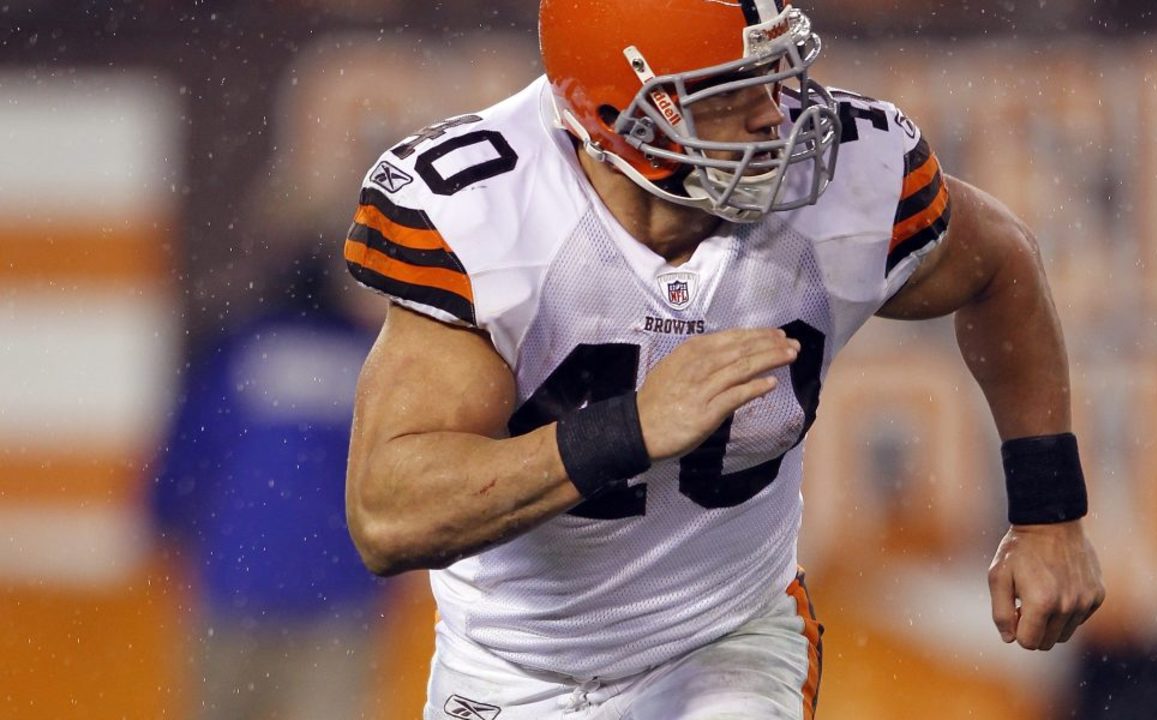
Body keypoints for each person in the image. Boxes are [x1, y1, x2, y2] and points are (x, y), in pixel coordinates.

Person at [341, 1, 1106, 717]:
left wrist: (1048, 514)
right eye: (728, 90)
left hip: (730, 638)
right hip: (511, 670)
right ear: (615, 114)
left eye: (774, 75)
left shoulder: (841, 180)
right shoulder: (493, 213)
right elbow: (388, 515)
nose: (775, 116)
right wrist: (629, 428)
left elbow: (1002, 263)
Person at [151, 250, 387, 720]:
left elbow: (184, 462)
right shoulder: (369, 364)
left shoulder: (237, 352)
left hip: (237, 584)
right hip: (338, 590)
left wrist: (161, 524)